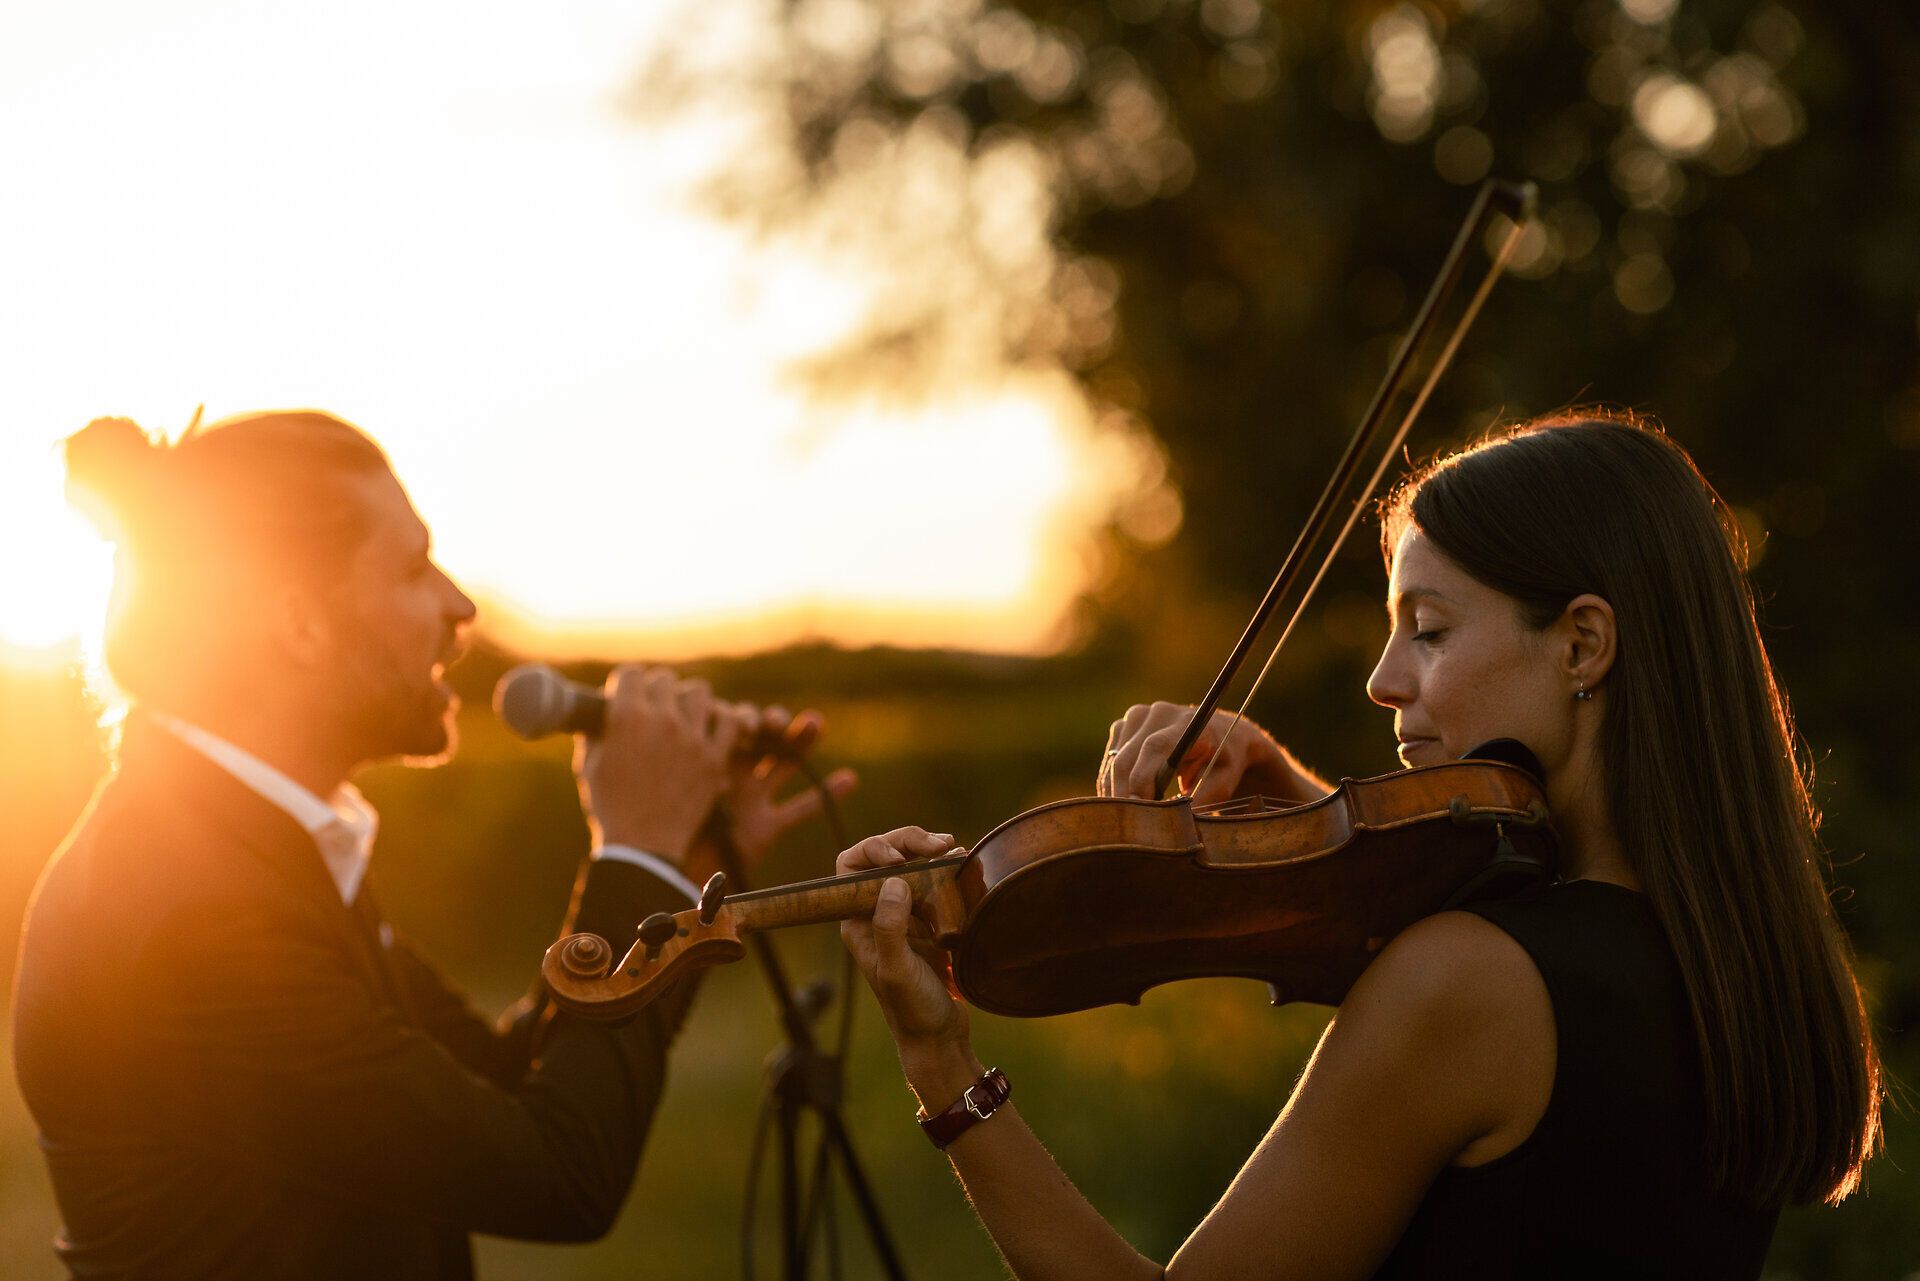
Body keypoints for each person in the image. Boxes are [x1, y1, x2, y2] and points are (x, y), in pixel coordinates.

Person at [836, 412, 1881, 1278]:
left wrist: (943, 1066)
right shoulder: (1743, 960)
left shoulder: (1469, 983)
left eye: (1428, 628)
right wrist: (1311, 820)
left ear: (1582, 644)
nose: (1385, 680)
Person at [11, 409, 849, 1278]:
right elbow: (558, 1171)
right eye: (413, 568)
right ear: (299, 622)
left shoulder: (241, 848)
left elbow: (500, 1076)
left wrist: (681, 862)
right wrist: (633, 849)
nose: (460, 604)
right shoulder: (198, 912)